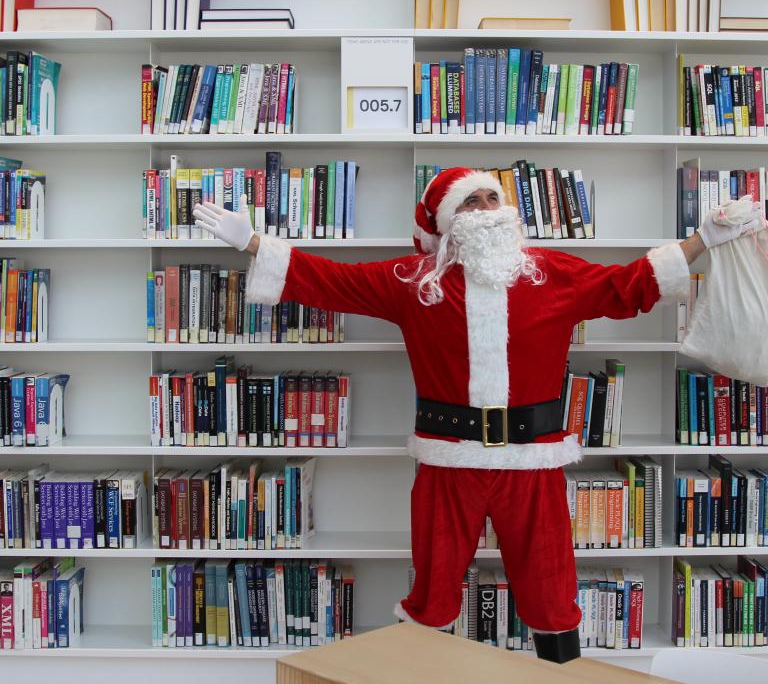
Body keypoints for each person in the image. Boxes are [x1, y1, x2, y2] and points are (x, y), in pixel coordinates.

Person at [193, 166, 765, 663]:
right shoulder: (413, 282)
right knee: (434, 585)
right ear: (444, 223)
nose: (487, 209)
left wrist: (702, 240)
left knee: (550, 583)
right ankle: (422, 667)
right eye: (470, 201)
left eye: (493, 198)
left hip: (533, 462)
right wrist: (253, 245)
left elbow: (627, 284)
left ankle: (559, 670)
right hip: (448, 462)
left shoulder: (553, 273)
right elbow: (331, 281)